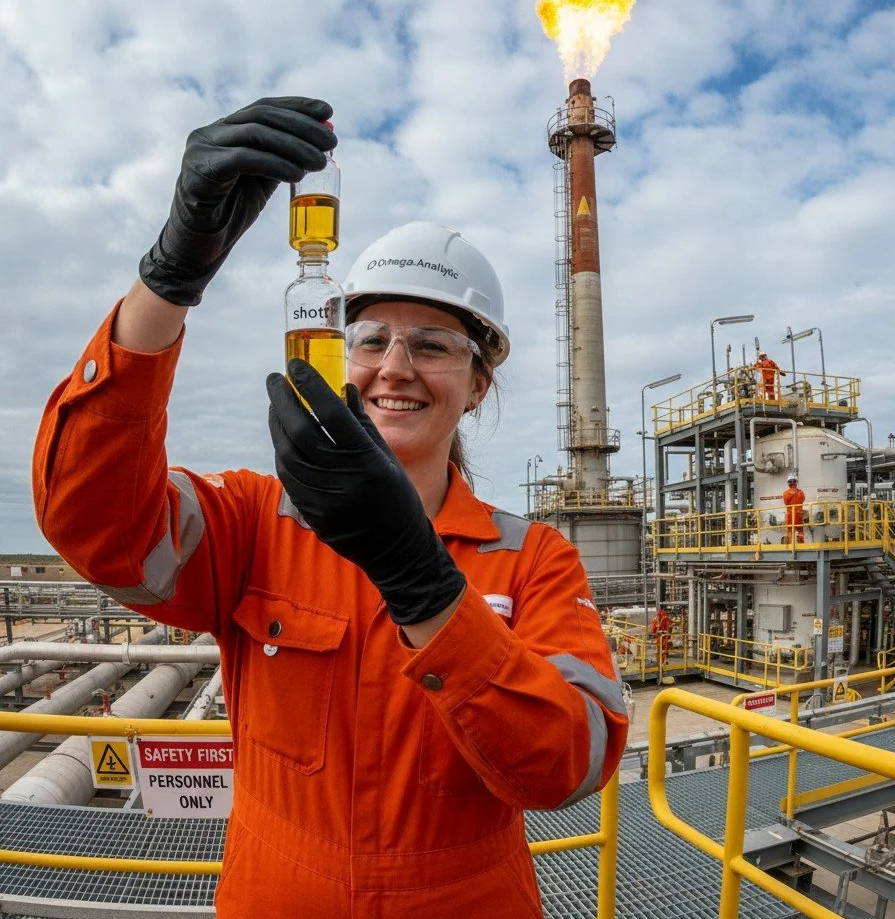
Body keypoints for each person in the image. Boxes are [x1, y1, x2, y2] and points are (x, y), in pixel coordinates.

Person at [32, 97, 627, 918]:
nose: (395, 367)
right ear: (336, 355)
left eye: (432, 345)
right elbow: (90, 518)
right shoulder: (251, 523)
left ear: (479, 383)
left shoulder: (533, 560)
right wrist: (169, 279)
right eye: (373, 338)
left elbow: (569, 764)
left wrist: (421, 582)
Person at [782, 474, 806, 544]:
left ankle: (801, 544)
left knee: (799, 531)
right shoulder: (786, 493)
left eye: (793, 481)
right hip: (791, 514)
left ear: (796, 482)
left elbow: (802, 500)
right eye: (790, 481)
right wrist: (792, 493)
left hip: (798, 514)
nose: (792, 483)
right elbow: (786, 502)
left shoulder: (800, 492)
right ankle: (789, 544)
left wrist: (794, 493)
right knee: (790, 530)